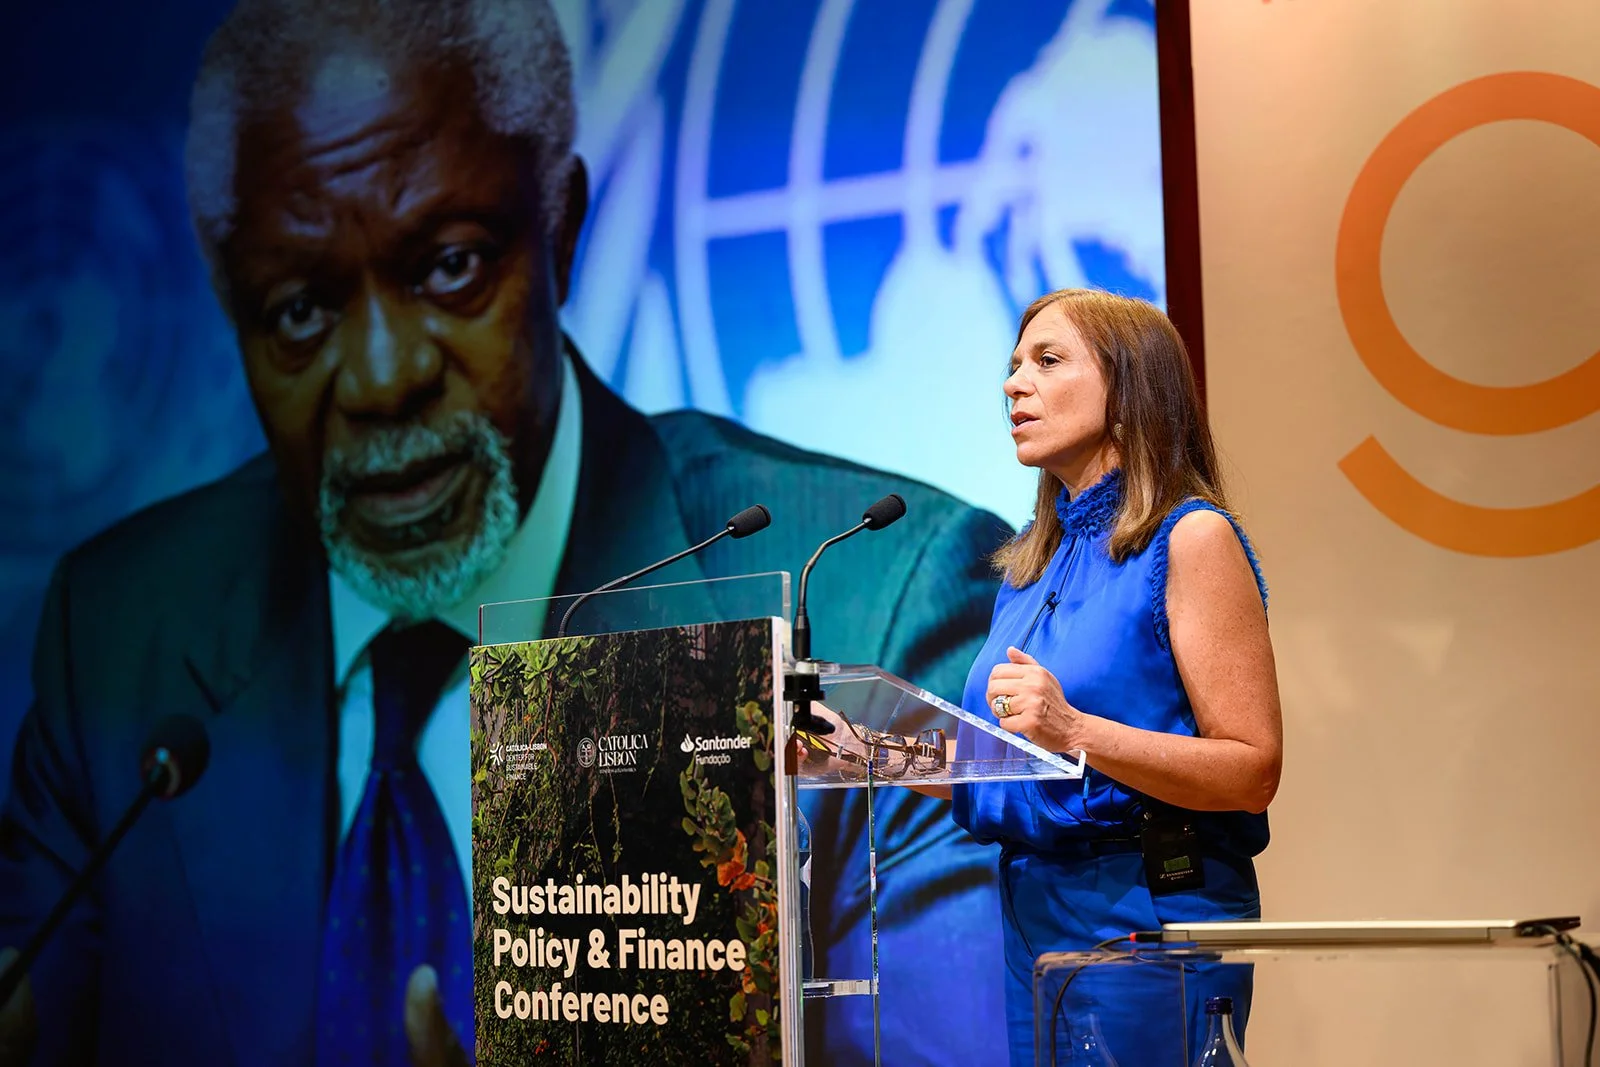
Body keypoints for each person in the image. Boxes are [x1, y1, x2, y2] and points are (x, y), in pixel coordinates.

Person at [0, 1, 1012, 1064]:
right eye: (299, 310)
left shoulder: (878, 602)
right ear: (229, 305)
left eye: (449, 265)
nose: (384, 377)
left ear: (560, 228)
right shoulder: (117, 636)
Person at [949, 288, 1283, 1065]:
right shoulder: (1028, 562)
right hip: (1033, 918)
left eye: (1048, 360)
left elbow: (1253, 769)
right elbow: (1008, 761)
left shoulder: (1192, 538)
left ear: (1130, 390)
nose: (1014, 383)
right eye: (1013, 365)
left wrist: (1076, 731)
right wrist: (870, 752)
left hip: (1149, 912)